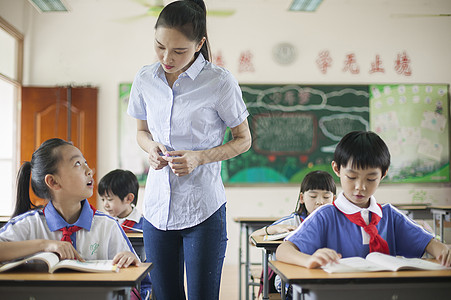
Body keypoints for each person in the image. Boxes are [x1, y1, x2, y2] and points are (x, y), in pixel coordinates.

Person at [127, 0, 251, 299]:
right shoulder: (145, 78)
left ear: (200, 45)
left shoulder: (219, 82)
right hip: (157, 210)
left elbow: (243, 139)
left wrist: (200, 157)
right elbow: (141, 132)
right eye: (160, 47)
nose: (167, 57)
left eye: (179, 51)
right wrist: (151, 147)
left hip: (203, 209)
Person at [276, 131, 451, 271]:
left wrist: (443, 250)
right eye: (352, 177)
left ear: (383, 174)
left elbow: (430, 244)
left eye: (371, 179)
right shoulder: (325, 216)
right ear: (337, 169)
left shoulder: (390, 216)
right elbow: (283, 250)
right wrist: (309, 260)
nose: (360, 187)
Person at [0, 138, 148, 298]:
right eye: (77, 164)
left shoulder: (107, 226)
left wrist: (130, 261)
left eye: (85, 162)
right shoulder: (29, 224)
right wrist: (44, 245)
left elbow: (139, 285)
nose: (89, 170)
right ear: (53, 181)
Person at [250, 170, 336, 297]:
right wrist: (274, 229)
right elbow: (252, 238)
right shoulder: (292, 221)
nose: (320, 202)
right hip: (291, 283)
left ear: (334, 199)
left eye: (326, 197)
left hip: (325, 278)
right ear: (302, 198)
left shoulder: (337, 222)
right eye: (313, 196)